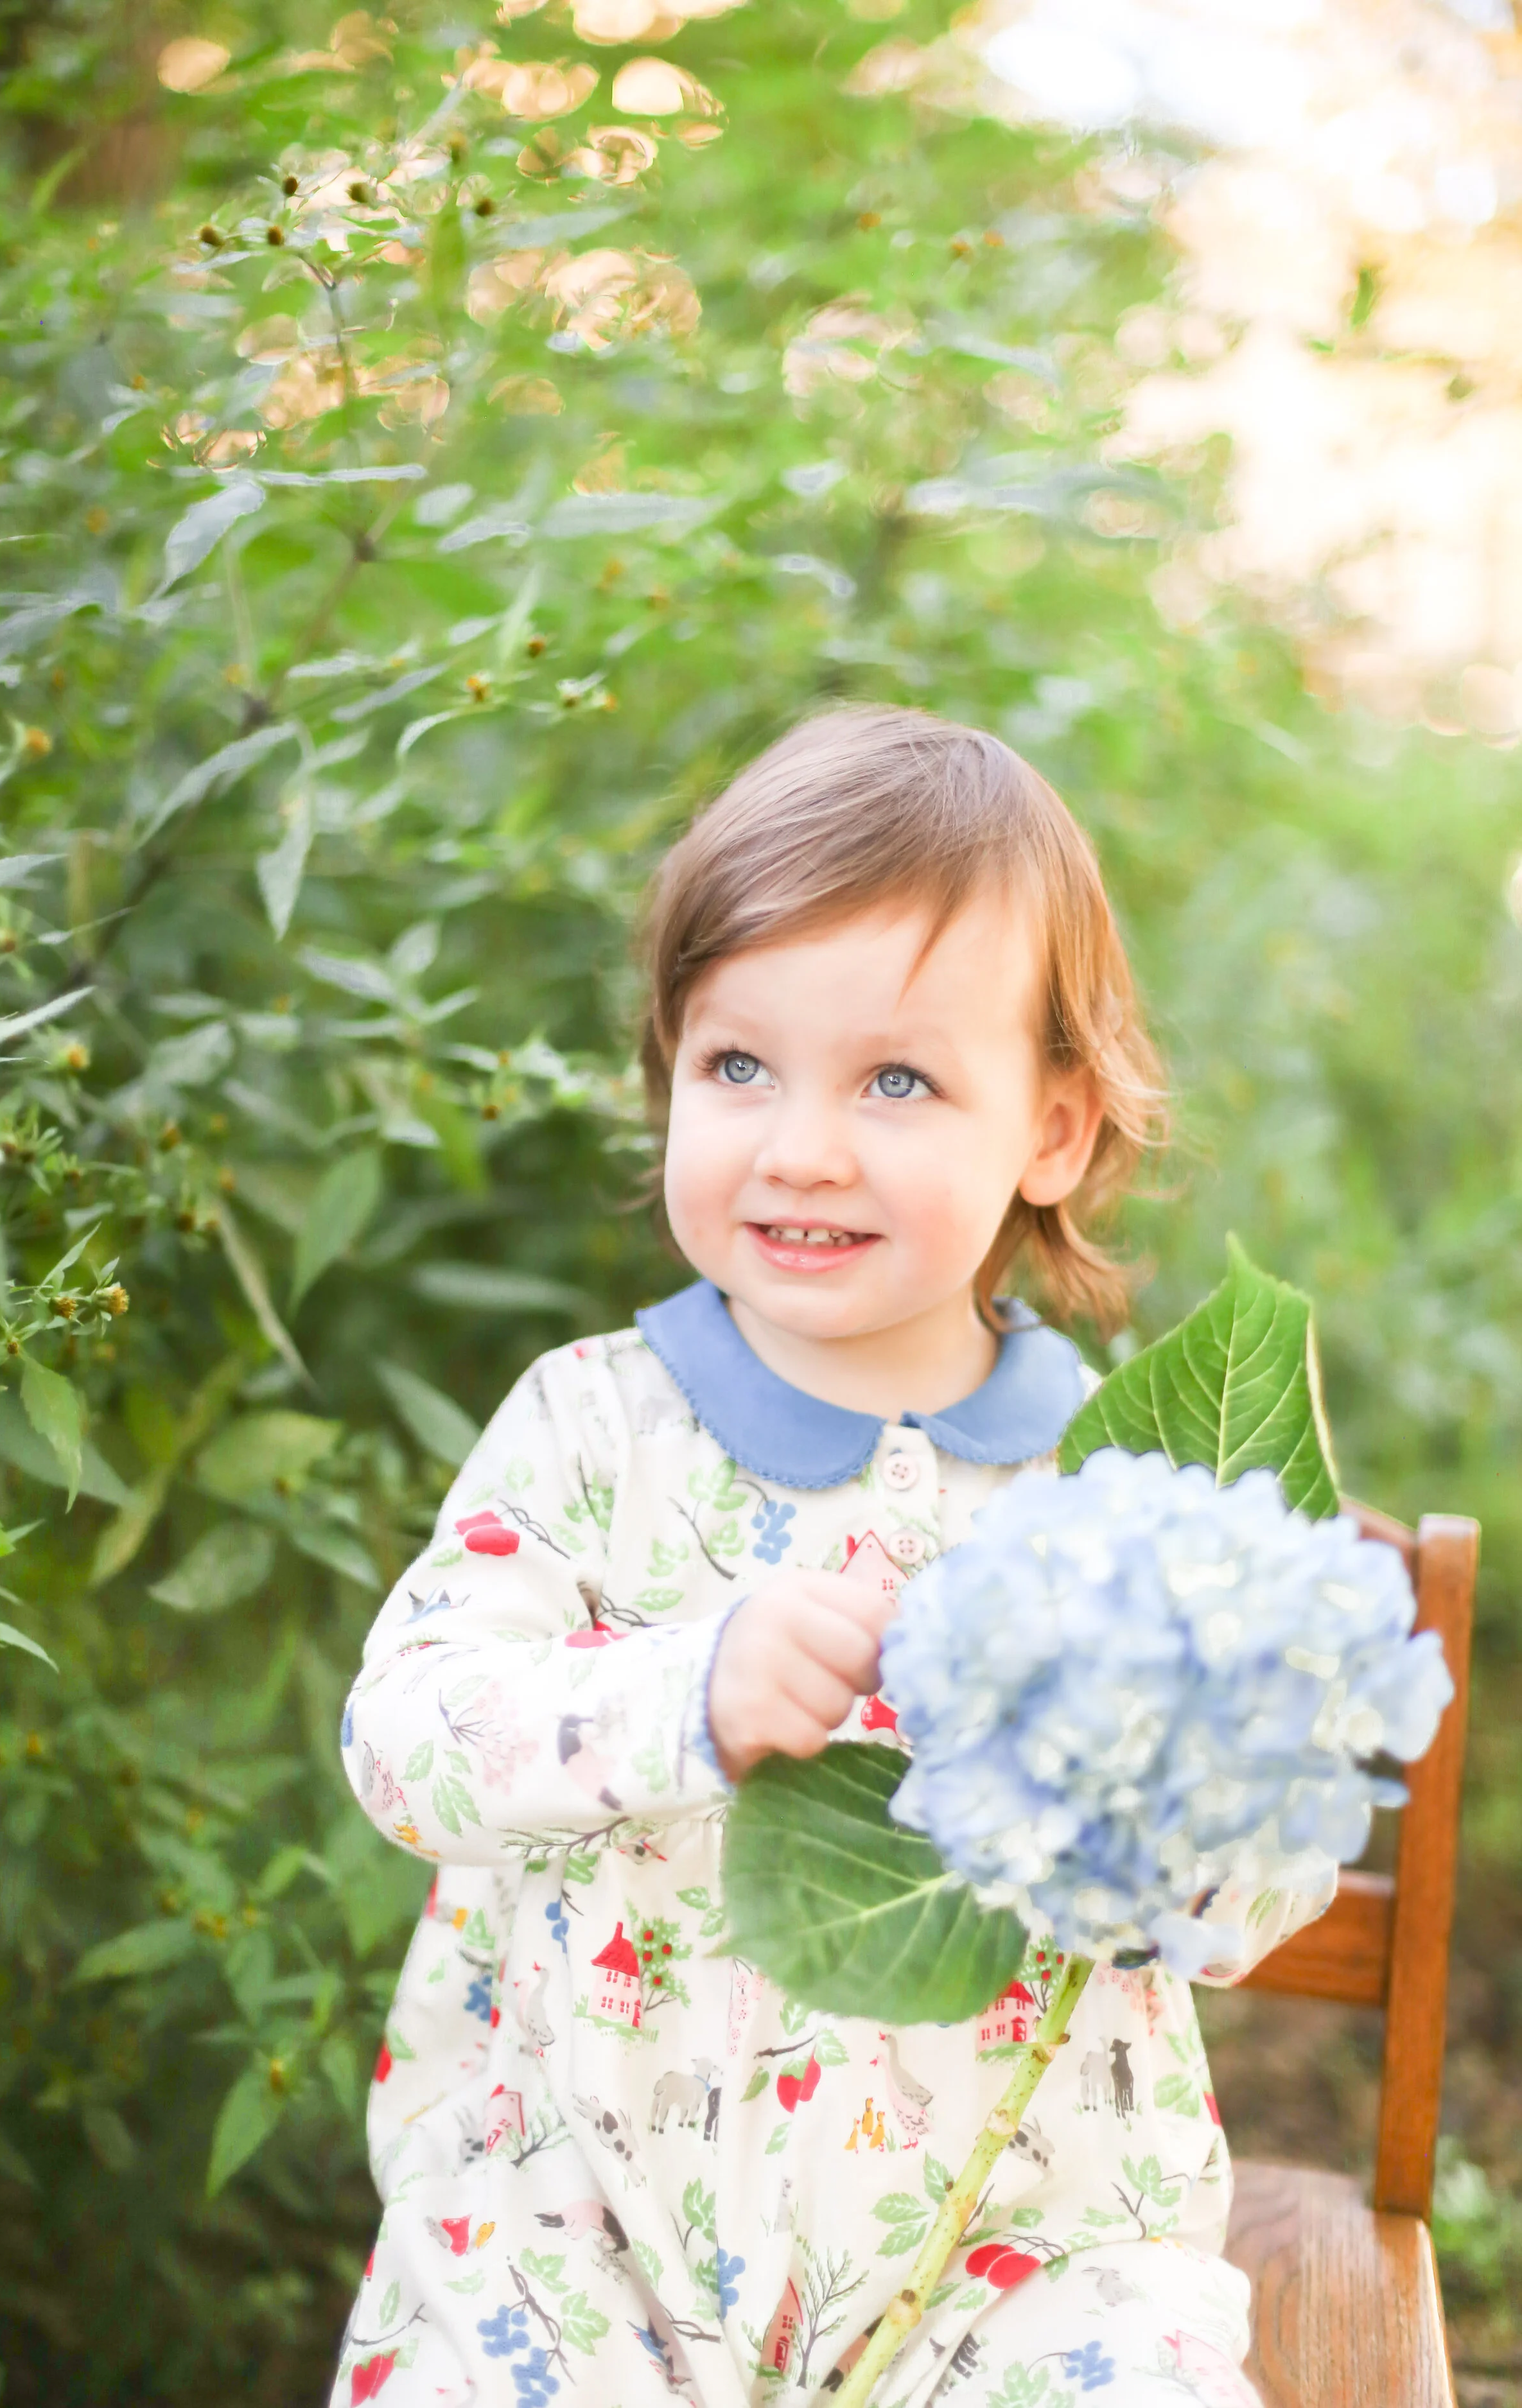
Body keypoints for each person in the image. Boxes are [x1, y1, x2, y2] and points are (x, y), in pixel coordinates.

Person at [331, 705, 1336, 2408]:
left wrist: (1145, 1799)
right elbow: (405, 1742)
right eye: (738, 1066)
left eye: (897, 1079)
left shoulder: (1118, 1491)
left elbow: (1264, 1882)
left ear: (1054, 1129)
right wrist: (685, 1695)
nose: (799, 1144)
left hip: (1017, 2251)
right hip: (582, 2233)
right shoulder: (592, 1426)